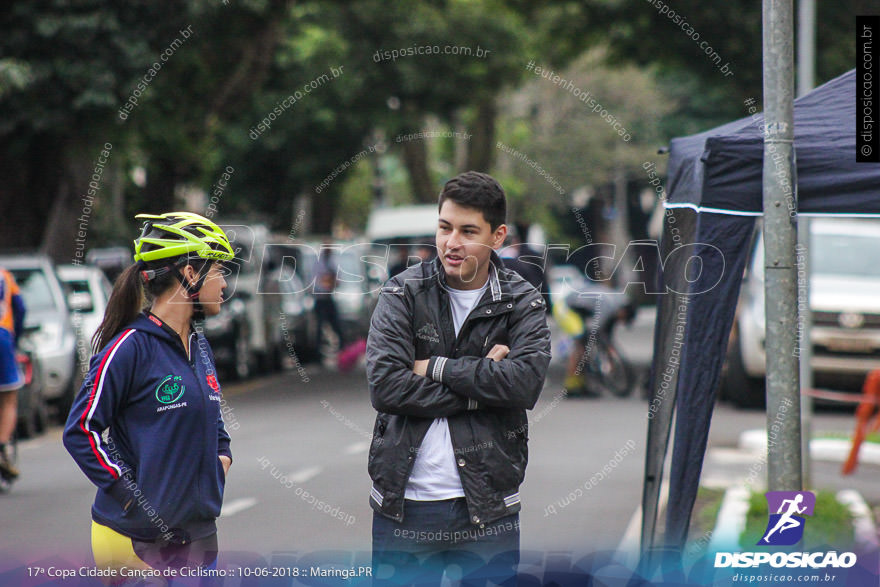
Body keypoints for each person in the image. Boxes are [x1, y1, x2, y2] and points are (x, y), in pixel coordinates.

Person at [366, 171, 552, 586]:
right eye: (445, 227)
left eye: (468, 231)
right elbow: (386, 386)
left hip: (488, 507)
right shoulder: (402, 293)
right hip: (404, 507)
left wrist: (435, 366)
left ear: (497, 236)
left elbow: (524, 385)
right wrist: (484, 384)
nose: (452, 242)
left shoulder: (521, 300)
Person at [63, 212, 235, 583]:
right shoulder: (128, 348)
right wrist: (126, 492)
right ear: (190, 273)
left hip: (198, 532)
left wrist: (222, 458)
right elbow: (80, 430)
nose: (224, 282)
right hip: (135, 538)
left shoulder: (198, 345)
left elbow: (214, 419)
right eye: (218, 269)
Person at [0, 267, 25, 480]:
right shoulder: (5, 276)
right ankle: (3, 446)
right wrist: (16, 338)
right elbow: (20, 308)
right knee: (9, 399)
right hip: (2, 337)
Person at [313, 244, 345, 361]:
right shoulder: (318, 263)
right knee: (320, 326)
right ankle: (317, 354)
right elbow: (318, 281)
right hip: (320, 299)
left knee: (336, 325)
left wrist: (333, 283)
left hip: (328, 298)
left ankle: (343, 350)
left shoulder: (332, 263)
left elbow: (337, 279)